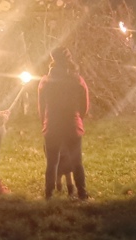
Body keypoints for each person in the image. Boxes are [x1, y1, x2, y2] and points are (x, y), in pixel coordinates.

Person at [37, 47, 90, 200]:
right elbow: (84, 104)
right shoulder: (77, 80)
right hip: (71, 124)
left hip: (52, 124)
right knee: (77, 161)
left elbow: (41, 106)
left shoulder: (45, 81)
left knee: (52, 162)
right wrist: (78, 117)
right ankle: (82, 193)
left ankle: (49, 194)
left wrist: (44, 122)